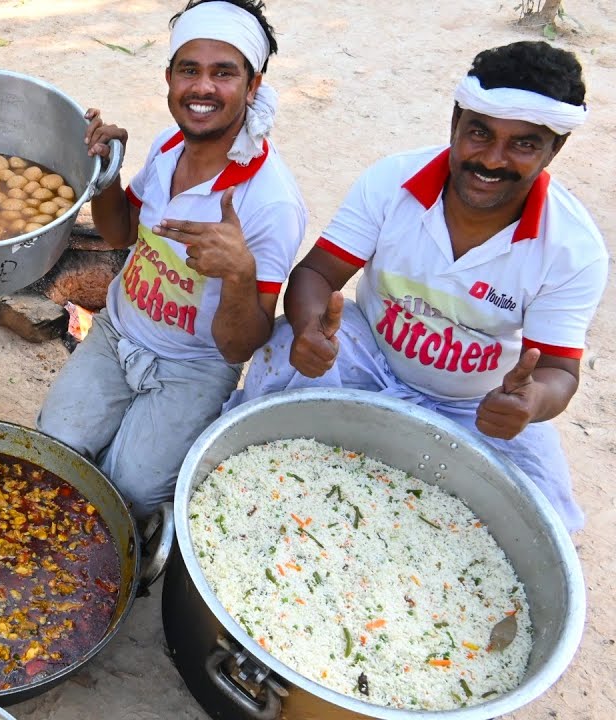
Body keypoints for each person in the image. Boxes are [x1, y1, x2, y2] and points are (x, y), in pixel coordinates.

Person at [229, 41, 607, 532]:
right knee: (280, 357)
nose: (492, 159)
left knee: (545, 519)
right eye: (479, 133)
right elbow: (317, 274)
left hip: (481, 401)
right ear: (454, 123)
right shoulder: (392, 183)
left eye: (524, 144)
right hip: (372, 354)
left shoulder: (573, 248)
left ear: (555, 149)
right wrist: (309, 329)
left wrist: (530, 402)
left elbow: (559, 371)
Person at [36, 0, 307, 521]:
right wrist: (106, 172)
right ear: (169, 78)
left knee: (130, 492)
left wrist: (238, 273)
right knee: (57, 452)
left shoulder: (270, 201)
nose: (202, 88)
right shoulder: (167, 147)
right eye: (190, 70)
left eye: (223, 73)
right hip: (118, 333)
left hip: (195, 367)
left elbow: (240, 345)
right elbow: (119, 232)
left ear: (253, 86)